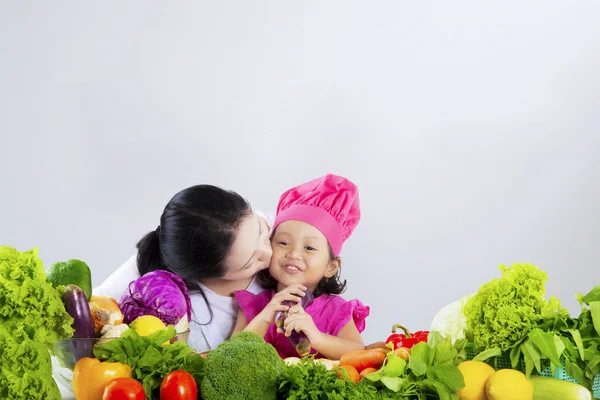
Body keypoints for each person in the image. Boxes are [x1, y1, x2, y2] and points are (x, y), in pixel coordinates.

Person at [93, 184, 273, 353]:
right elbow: (89, 311)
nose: (269, 252)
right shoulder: (187, 310)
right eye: (249, 263)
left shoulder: (286, 221)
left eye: (260, 231)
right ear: (206, 274)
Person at [233, 174, 369, 360]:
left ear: (331, 266)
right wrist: (265, 317)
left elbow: (360, 352)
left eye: (310, 248)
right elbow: (232, 354)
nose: (294, 254)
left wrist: (318, 338)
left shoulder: (336, 310)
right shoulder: (255, 305)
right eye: (283, 243)